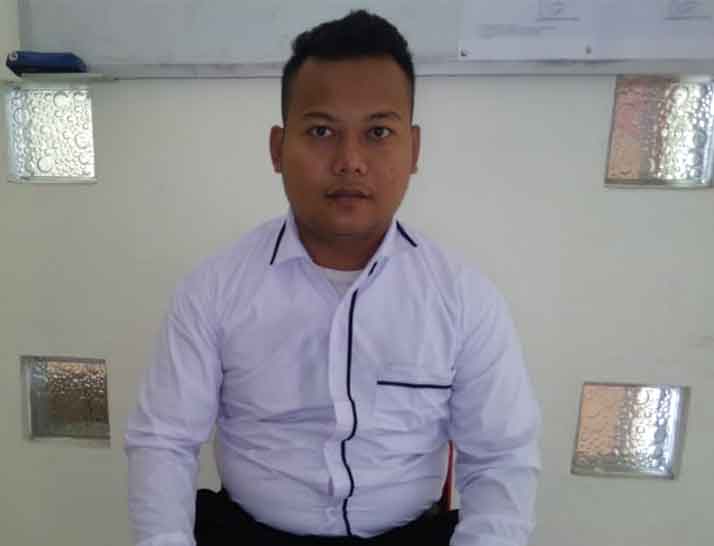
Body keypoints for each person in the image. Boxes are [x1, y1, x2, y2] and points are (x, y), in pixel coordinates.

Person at [125, 10, 541, 546]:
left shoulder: (464, 299)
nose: (350, 161)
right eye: (321, 131)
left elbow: (501, 458)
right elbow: (163, 442)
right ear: (278, 149)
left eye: (378, 133)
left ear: (414, 150)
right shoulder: (213, 291)